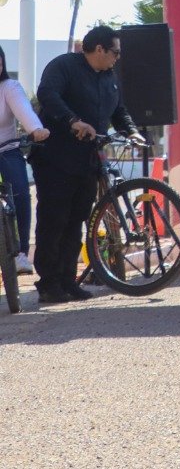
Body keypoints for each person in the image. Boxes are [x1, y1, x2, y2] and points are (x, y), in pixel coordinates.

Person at [33, 26, 140, 304]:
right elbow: (47, 94)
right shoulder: (64, 66)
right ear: (100, 49)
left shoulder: (109, 77)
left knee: (78, 220)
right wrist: (72, 121)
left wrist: (132, 132)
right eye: (115, 52)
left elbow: (119, 111)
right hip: (55, 157)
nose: (118, 57)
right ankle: (48, 283)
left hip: (88, 160)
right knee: (54, 219)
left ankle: (69, 280)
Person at [0, 47, 49, 275]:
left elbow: (24, 110)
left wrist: (36, 129)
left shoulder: (9, 88)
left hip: (7, 149)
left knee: (20, 190)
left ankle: (20, 254)